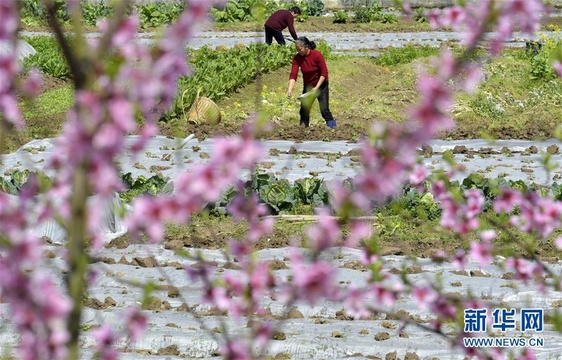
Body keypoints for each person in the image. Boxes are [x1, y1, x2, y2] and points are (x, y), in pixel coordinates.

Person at [286, 37, 336, 128]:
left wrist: (316, 88)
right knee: (304, 110)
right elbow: (293, 74)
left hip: (321, 86)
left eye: (300, 49)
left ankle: (333, 128)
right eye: (297, 49)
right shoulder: (297, 58)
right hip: (308, 87)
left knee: (324, 110)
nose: (298, 51)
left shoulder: (317, 55)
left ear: (306, 47)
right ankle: (303, 129)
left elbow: (324, 73)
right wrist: (289, 90)